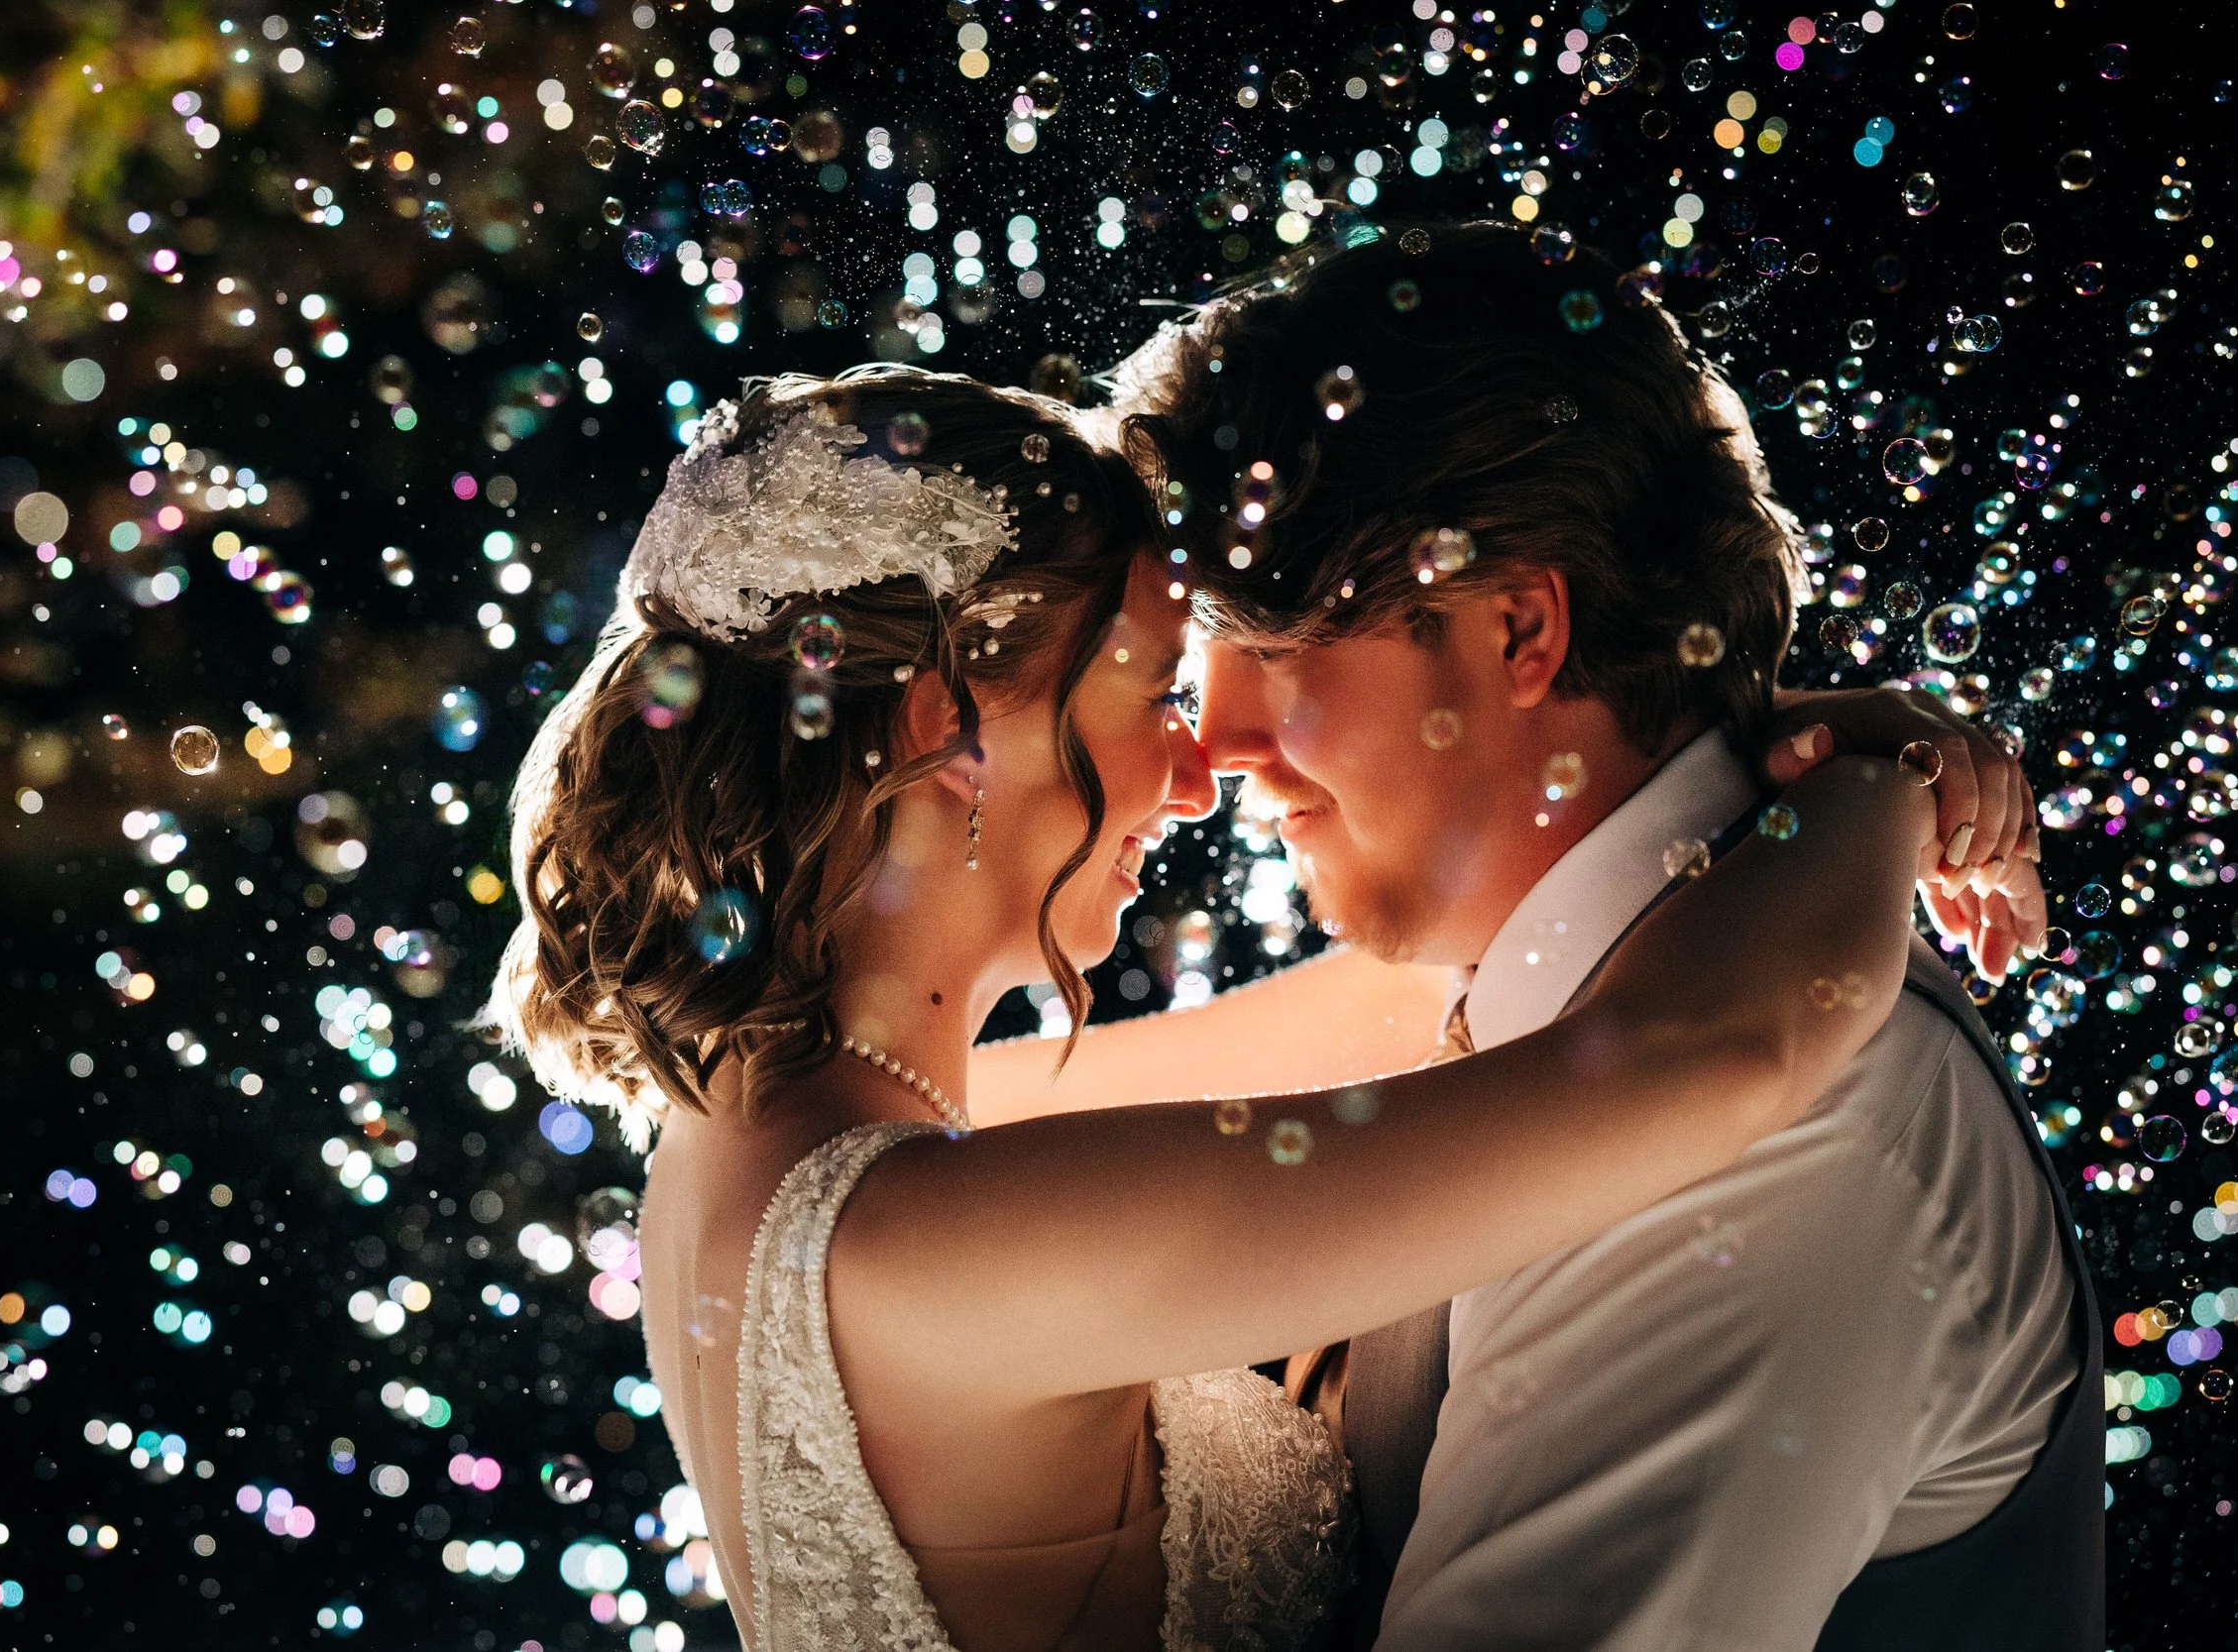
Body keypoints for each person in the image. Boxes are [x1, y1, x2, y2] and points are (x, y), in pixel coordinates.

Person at [487, 365, 2031, 1652]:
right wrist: (1873, 791)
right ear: (950, 724)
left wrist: (1744, 753)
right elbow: (1708, 1057)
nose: (1192, 768)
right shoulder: (937, 1242)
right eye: (1156, 693)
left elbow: (1417, 1007)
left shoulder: (775, 1133)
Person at [977, 220, 2095, 1652]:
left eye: (1271, 639)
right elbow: (966, 1129)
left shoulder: (1777, 1148)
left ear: (1521, 630)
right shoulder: (1538, 992)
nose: (1225, 743)